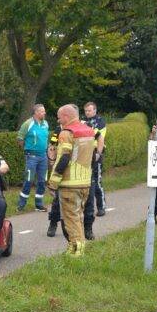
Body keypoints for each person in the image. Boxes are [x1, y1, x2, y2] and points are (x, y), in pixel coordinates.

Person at [47, 104, 96, 256]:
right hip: (85, 182)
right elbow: (93, 157)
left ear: (66, 117)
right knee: (79, 217)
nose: (58, 119)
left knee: (70, 219)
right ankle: (77, 248)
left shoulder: (66, 133)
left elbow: (64, 158)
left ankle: (76, 251)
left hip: (69, 184)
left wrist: (53, 182)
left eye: (59, 116)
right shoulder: (88, 131)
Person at [16, 104, 50, 212]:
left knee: (42, 181)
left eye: (44, 111)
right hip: (31, 156)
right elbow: (20, 138)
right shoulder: (27, 124)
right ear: (36, 112)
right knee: (28, 180)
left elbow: (46, 139)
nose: (44, 113)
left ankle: (39, 204)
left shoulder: (46, 124)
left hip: (43, 156)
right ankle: (21, 204)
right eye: (42, 111)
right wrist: (27, 150)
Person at [81, 102, 107, 217]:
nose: (87, 113)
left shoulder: (100, 121)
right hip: (85, 153)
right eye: (86, 111)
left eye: (89, 110)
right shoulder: (83, 121)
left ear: (95, 110)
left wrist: (86, 126)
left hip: (96, 153)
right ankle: (86, 207)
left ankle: (101, 207)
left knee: (97, 181)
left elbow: (97, 134)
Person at [46, 126, 62, 237]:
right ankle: (53, 223)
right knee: (57, 199)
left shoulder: (79, 128)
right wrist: (52, 159)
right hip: (59, 165)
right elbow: (52, 145)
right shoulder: (58, 130)